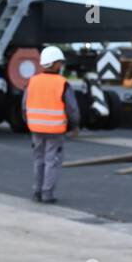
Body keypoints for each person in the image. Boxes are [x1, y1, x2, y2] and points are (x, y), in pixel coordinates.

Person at [23, 45, 80, 203]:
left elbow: (24, 106)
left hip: (36, 128)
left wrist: (29, 122)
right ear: (54, 64)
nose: (61, 65)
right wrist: (75, 125)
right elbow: (72, 108)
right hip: (55, 129)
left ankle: (37, 191)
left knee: (38, 160)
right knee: (51, 161)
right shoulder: (62, 83)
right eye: (60, 62)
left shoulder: (32, 81)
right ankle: (47, 194)